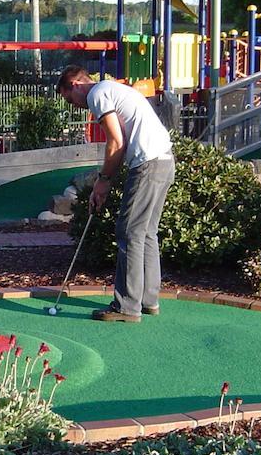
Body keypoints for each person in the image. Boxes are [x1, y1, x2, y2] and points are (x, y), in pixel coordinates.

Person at [57, 66, 176, 322]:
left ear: (76, 84)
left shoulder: (98, 94)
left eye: (69, 98)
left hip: (148, 162)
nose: (75, 105)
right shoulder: (114, 89)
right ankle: (148, 300)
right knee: (145, 232)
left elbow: (116, 142)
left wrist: (103, 181)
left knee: (129, 231)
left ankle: (127, 306)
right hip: (164, 161)